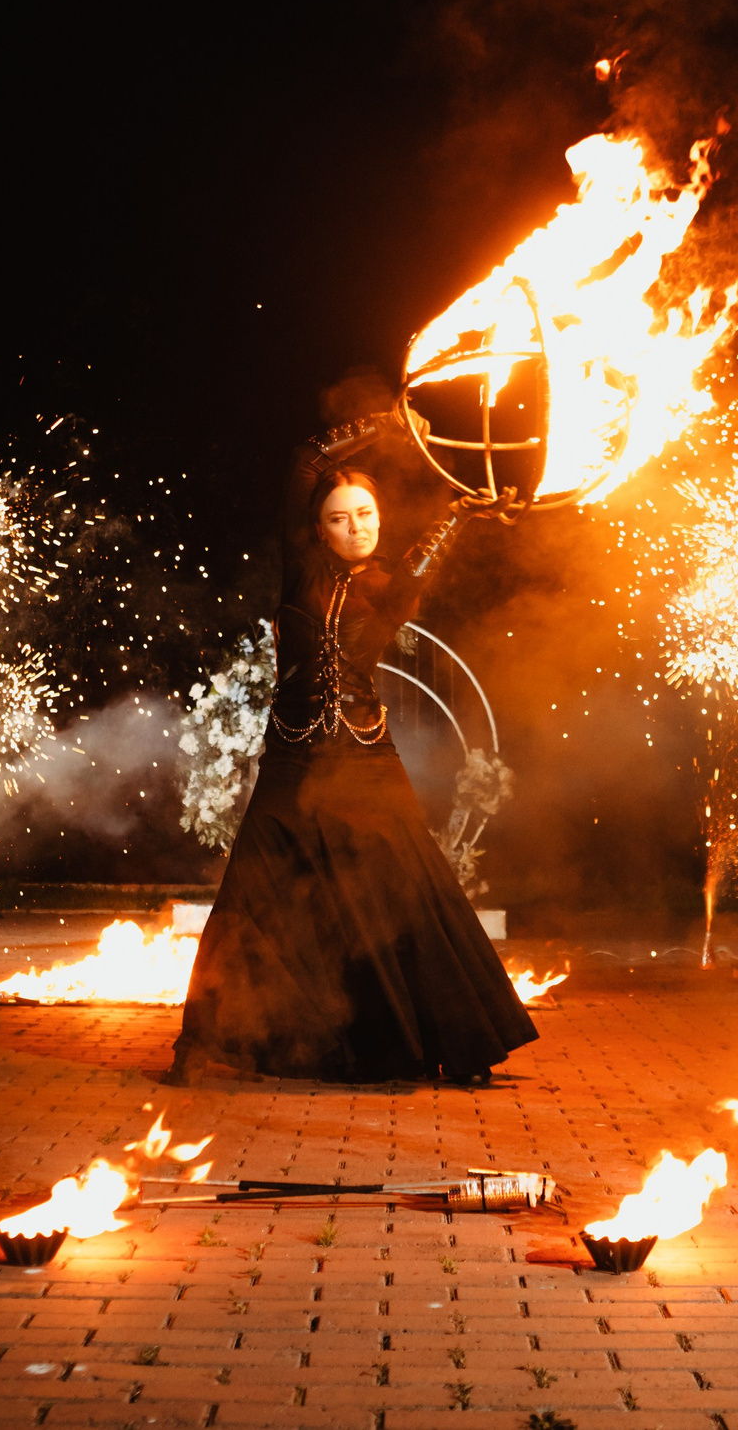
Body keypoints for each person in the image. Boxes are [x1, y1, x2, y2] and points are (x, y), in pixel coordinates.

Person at [168, 409, 539, 1084]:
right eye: (340, 517)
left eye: (366, 513)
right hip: (290, 762)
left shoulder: (388, 585)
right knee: (253, 891)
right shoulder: (298, 573)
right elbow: (306, 453)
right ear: (318, 528)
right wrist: (390, 420)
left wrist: (457, 514)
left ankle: (458, 1040)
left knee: (407, 890)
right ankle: (209, 1042)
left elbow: (410, 584)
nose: (356, 526)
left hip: (364, 760)